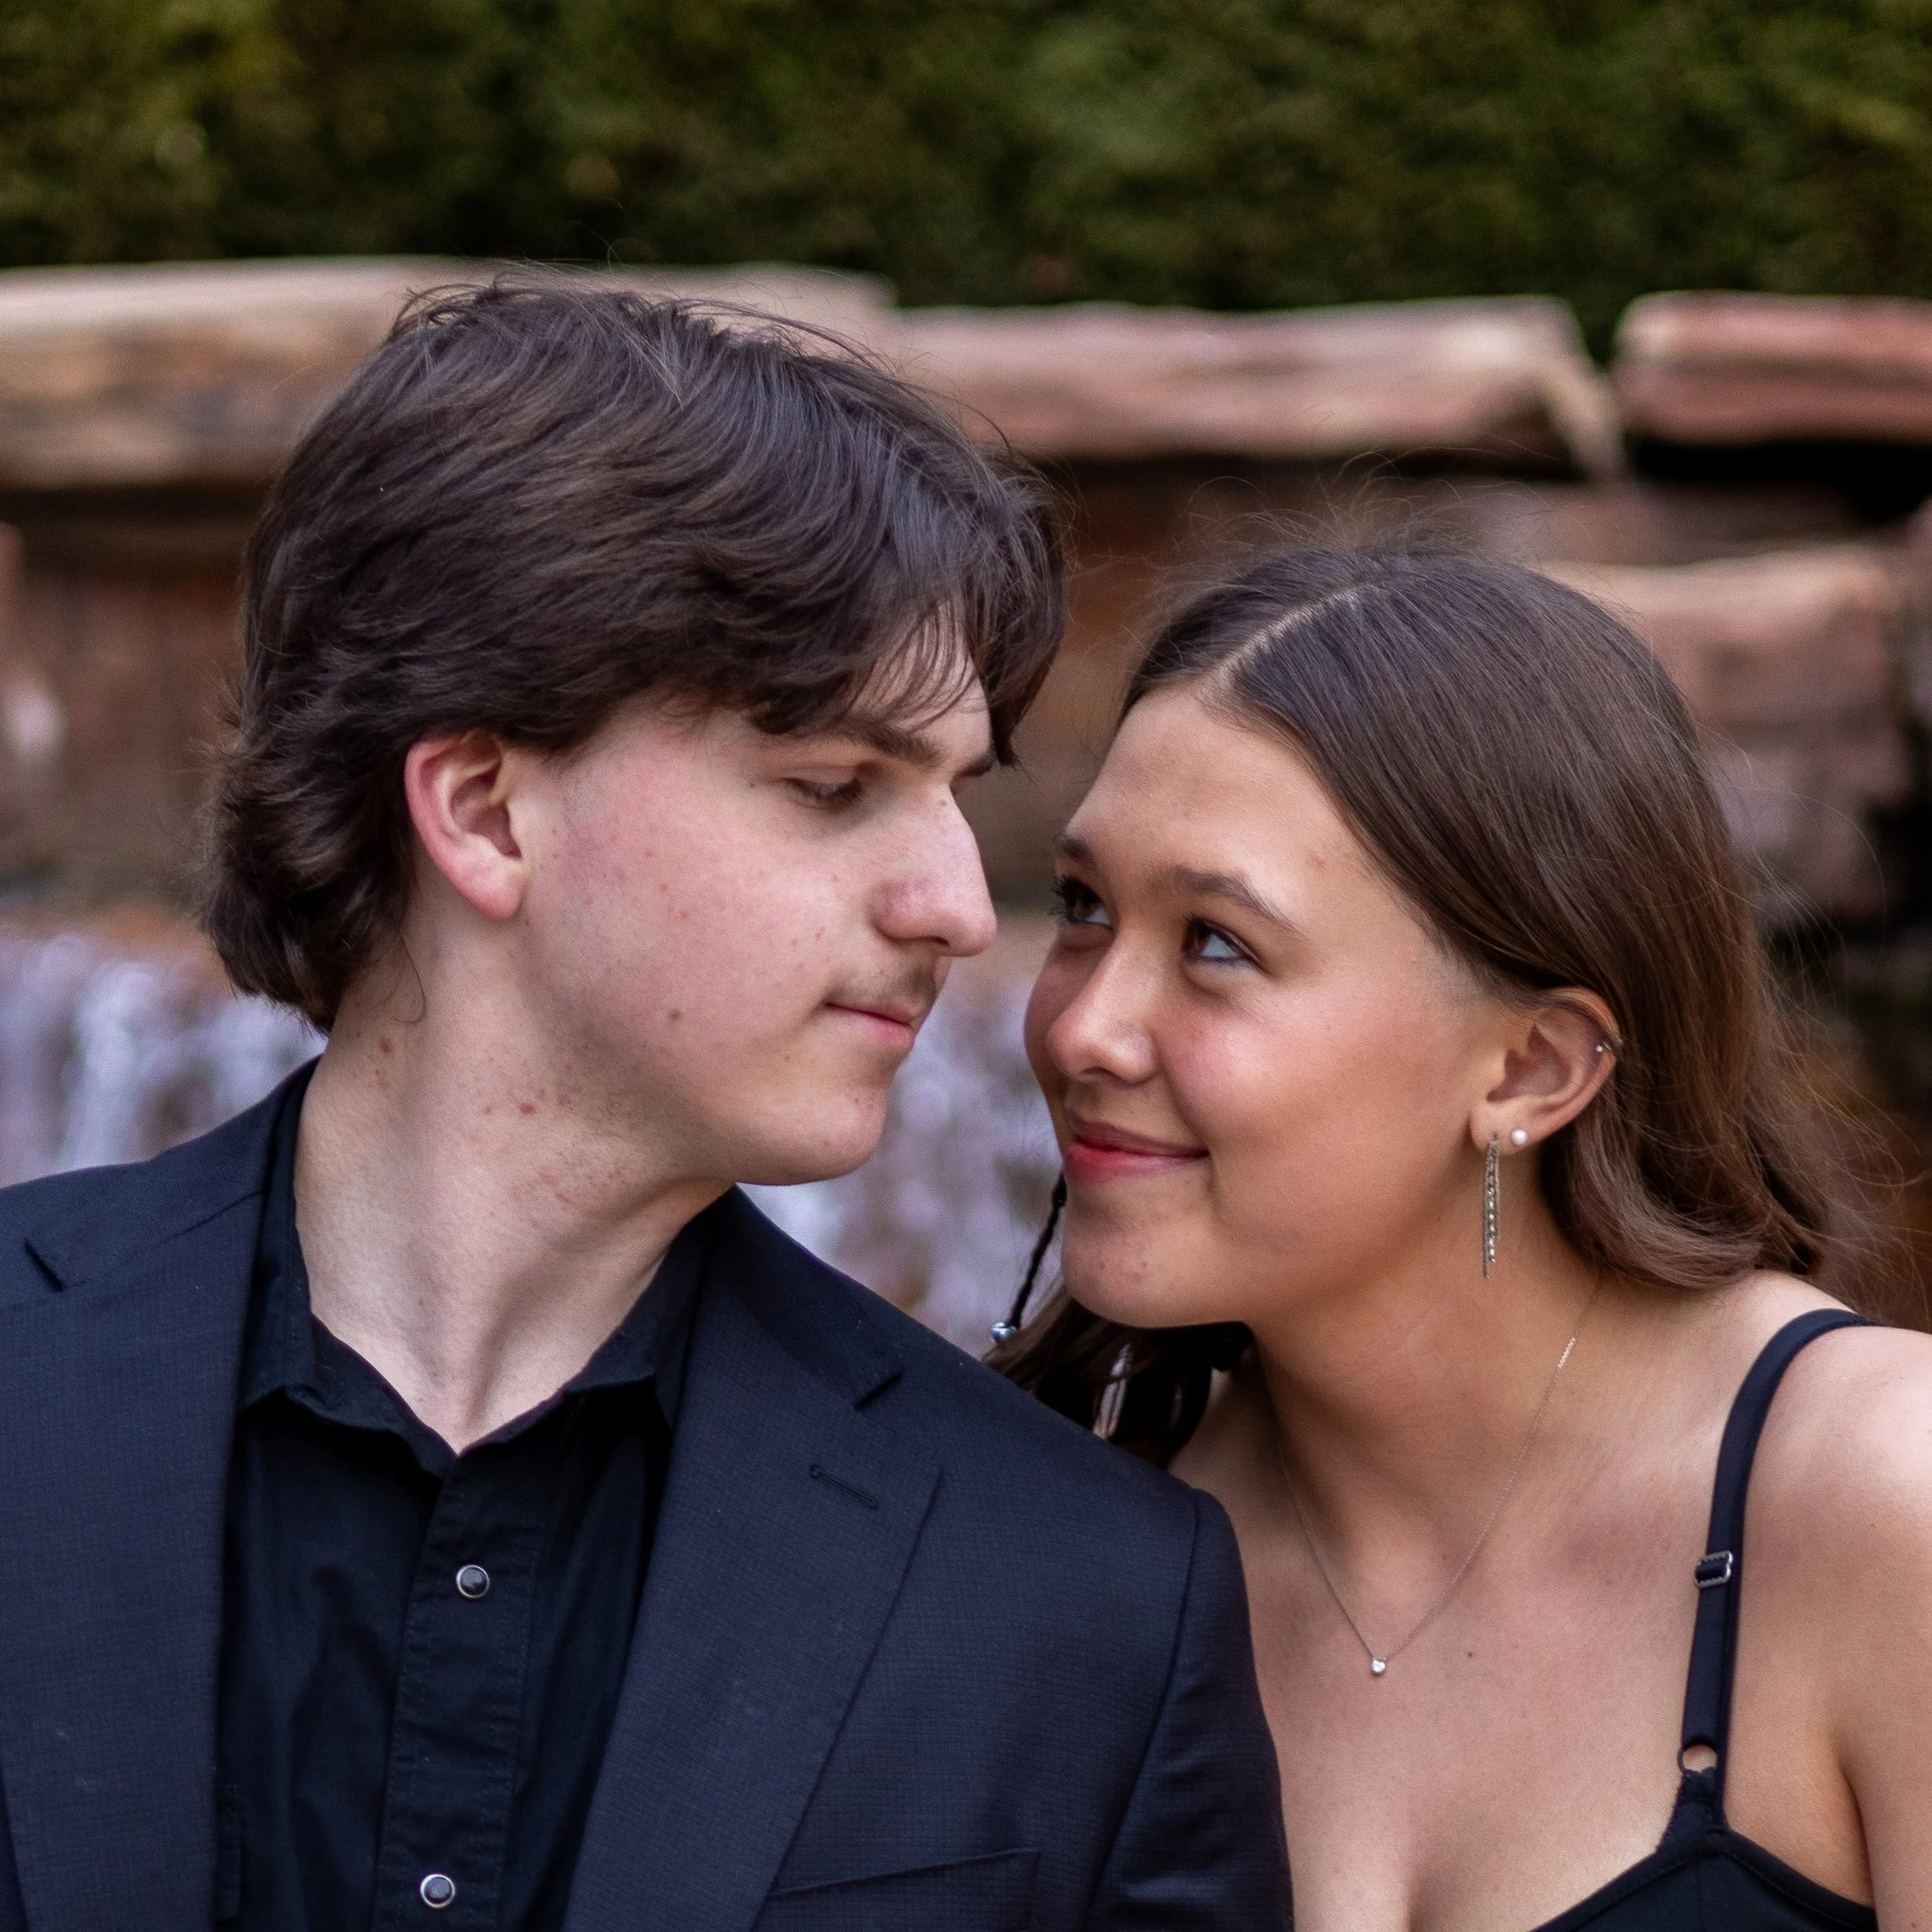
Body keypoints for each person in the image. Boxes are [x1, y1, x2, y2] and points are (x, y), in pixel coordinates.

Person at [0, 282, 1289, 1932]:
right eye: (834, 787)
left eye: (954, 798)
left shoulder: (1084, 1598)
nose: (961, 906)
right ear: (482, 808)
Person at [997, 546, 1932, 1929]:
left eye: (1216, 943)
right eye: (1084, 907)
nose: (1080, 1028)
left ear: (1533, 1071)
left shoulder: (1879, 1501)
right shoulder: (1082, 1560)